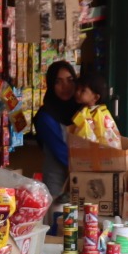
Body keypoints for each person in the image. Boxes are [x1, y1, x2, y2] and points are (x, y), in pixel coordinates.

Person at [32, 60, 80, 201]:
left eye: (70, 80)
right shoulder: (45, 116)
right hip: (58, 185)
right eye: (58, 82)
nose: (65, 86)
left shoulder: (81, 111)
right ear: (51, 85)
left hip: (80, 180)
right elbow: (62, 152)